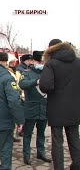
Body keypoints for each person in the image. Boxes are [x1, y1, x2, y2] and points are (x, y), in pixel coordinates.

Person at [40, 39, 80, 170]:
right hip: (75, 107)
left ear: (51, 48)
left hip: (56, 107)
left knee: (57, 142)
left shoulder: (51, 63)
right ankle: (77, 165)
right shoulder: (78, 62)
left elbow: (45, 86)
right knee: (74, 139)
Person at [19, 51, 51, 165]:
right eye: (39, 61)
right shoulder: (26, 73)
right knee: (28, 133)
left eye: (42, 61)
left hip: (44, 107)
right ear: (32, 61)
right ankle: (26, 155)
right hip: (31, 108)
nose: (41, 63)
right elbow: (22, 84)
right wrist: (36, 81)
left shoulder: (48, 72)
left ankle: (41, 153)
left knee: (41, 133)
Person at [7, 54, 22, 143]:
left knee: (15, 118)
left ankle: (13, 135)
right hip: (12, 95)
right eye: (11, 62)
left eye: (14, 62)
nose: (13, 63)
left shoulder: (17, 72)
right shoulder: (7, 72)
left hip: (17, 94)